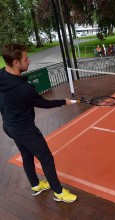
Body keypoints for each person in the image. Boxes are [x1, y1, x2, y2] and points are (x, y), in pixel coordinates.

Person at [0, 44, 77, 203]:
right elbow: (44, 104)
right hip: (24, 129)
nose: (29, 61)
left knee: (27, 155)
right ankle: (59, 192)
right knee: (46, 158)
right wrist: (65, 101)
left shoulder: (1, 76)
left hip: (9, 126)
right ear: (16, 62)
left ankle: (35, 185)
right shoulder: (23, 88)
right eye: (26, 59)